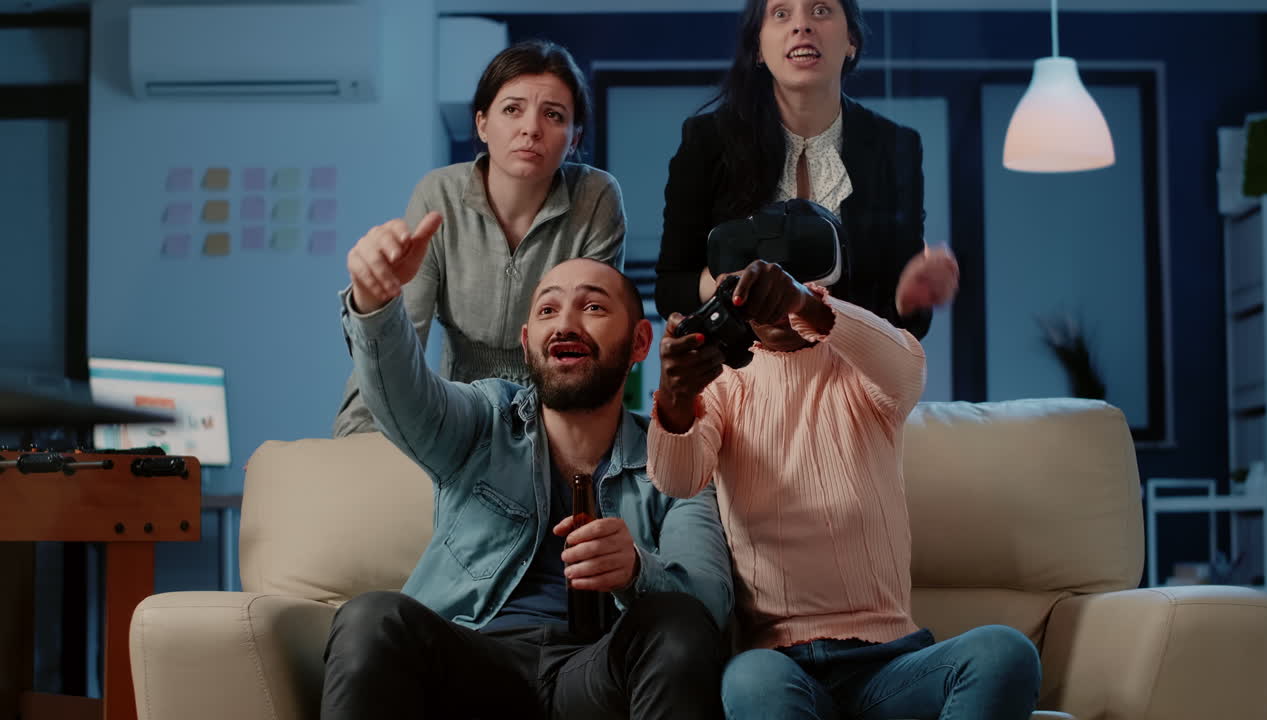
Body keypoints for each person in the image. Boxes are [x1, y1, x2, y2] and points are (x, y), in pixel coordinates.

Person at [323, 221, 733, 719]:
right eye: (547, 309)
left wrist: (634, 570)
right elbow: (403, 398)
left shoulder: (677, 460)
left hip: (598, 677)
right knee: (371, 618)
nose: (565, 324)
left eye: (594, 306)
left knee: (678, 621)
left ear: (640, 342)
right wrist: (376, 302)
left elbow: (707, 606)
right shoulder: (483, 421)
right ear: (527, 341)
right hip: (474, 668)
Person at [647, 259, 1039, 720]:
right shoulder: (723, 386)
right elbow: (676, 479)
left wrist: (803, 304)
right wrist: (674, 397)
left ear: (814, 286)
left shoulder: (860, 365)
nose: (767, 302)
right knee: (749, 678)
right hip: (782, 668)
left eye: (777, 286)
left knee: (1003, 652)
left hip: (891, 664)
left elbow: (905, 367)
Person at [334, 39, 627, 437]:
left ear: (574, 138)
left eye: (553, 115)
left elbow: (596, 340)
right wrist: (351, 439)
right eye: (512, 109)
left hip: (558, 411)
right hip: (456, 410)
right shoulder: (438, 194)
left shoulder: (597, 197)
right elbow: (399, 337)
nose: (531, 129)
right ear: (482, 124)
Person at [655, 0, 955, 340]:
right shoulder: (706, 141)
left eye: (821, 10)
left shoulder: (896, 146)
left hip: (850, 368)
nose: (802, 26)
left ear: (851, 41)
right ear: (758, 49)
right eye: (781, 14)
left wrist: (908, 300)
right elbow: (669, 290)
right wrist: (723, 284)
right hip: (741, 373)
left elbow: (905, 324)